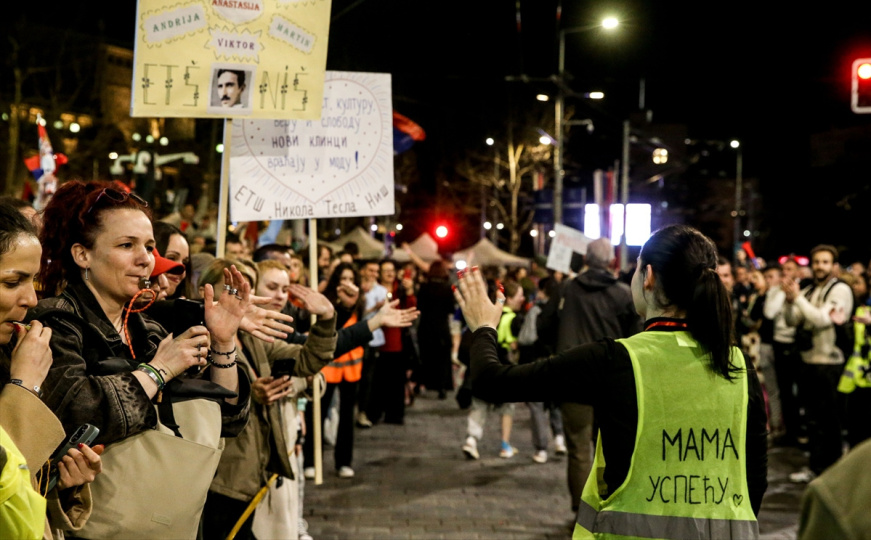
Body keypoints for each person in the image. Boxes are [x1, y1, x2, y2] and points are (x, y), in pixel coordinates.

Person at [454, 224, 768, 538]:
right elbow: (753, 478)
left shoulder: (616, 360)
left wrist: (483, 328)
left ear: (648, 277)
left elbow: (491, 382)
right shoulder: (739, 366)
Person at [31, 180, 252, 539]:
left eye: (148, 246)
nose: (145, 259)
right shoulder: (55, 321)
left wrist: (225, 342)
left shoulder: (148, 329)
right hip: (86, 525)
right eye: (126, 245)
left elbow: (226, 418)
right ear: (82, 254)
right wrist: (159, 370)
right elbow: (76, 413)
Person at [198, 258, 336, 540]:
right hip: (219, 478)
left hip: (251, 473)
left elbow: (307, 360)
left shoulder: (253, 338)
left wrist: (327, 317)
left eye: (245, 288)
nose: (241, 295)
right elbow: (205, 401)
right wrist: (250, 393)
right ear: (207, 292)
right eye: (232, 287)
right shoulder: (198, 336)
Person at [0, 200, 102, 539]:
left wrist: (60, 482)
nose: (31, 298)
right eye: (13, 282)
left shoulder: (11, 353)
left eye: (33, 279)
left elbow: (19, 500)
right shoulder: (22, 368)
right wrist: (23, 386)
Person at [536, 237, 642, 512]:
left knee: (580, 450)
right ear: (611, 262)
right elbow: (638, 337)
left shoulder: (566, 289)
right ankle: (608, 509)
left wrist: (557, 350)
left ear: (585, 260)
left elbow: (544, 325)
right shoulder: (622, 294)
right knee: (611, 450)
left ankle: (583, 513)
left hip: (574, 379)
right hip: (612, 381)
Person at [783, 244, 853, 483]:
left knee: (829, 421)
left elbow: (822, 319)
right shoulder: (811, 289)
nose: (819, 266)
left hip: (829, 364)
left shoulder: (840, 289)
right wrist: (791, 300)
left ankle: (832, 474)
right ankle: (816, 467)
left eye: (825, 262)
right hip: (809, 362)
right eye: (816, 262)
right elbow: (794, 321)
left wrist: (799, 299)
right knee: (813, 419)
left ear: (833, 265)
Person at [461, 280, 524, 460]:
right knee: (507, 406)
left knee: (479, 404)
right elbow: (512, 344)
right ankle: (505, 445)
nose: (523, 298)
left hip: (483, 364)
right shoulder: (513, 318)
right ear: (508, 298)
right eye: (520, 295)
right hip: (504, 366)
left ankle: (471, 440)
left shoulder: (485, 315)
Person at [415, 260, 456, 399]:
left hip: (426, 326)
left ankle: (420, 383)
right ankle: (442, 387)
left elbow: (419, 307)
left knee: (425, 356)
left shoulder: (424, 287)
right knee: (442, 358)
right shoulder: (447, 288)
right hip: (441, 327)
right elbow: (451, 309)